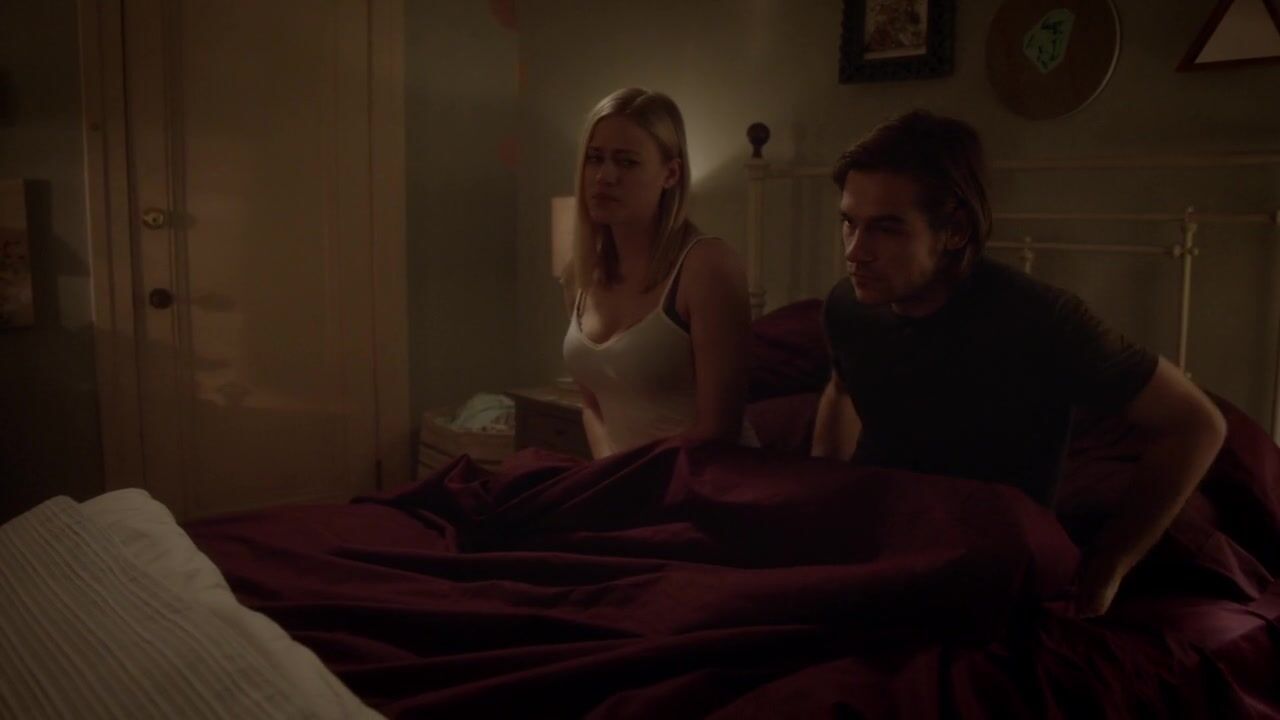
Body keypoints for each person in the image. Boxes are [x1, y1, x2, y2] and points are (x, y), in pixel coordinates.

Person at [811, 110, 1227, 617]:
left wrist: (1110, 564)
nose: (855, 252)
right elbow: (842, 388)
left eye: (887, 229)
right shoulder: (847, 306)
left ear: (954, 230)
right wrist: (827, 497)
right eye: (849, 223)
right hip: (878, 533)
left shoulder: (1041, 320)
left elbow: (1197, 424)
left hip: (985, 555)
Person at [561, 88, 756, 459]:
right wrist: (610, 476)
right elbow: (592, 405)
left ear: (670, 174)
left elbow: (718, 429)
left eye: (627, 162)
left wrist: (634, 480)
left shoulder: (707, 266)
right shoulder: (579, 275)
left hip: (701, 475)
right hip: (622, 479)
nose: (605, 176)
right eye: (595, 158)